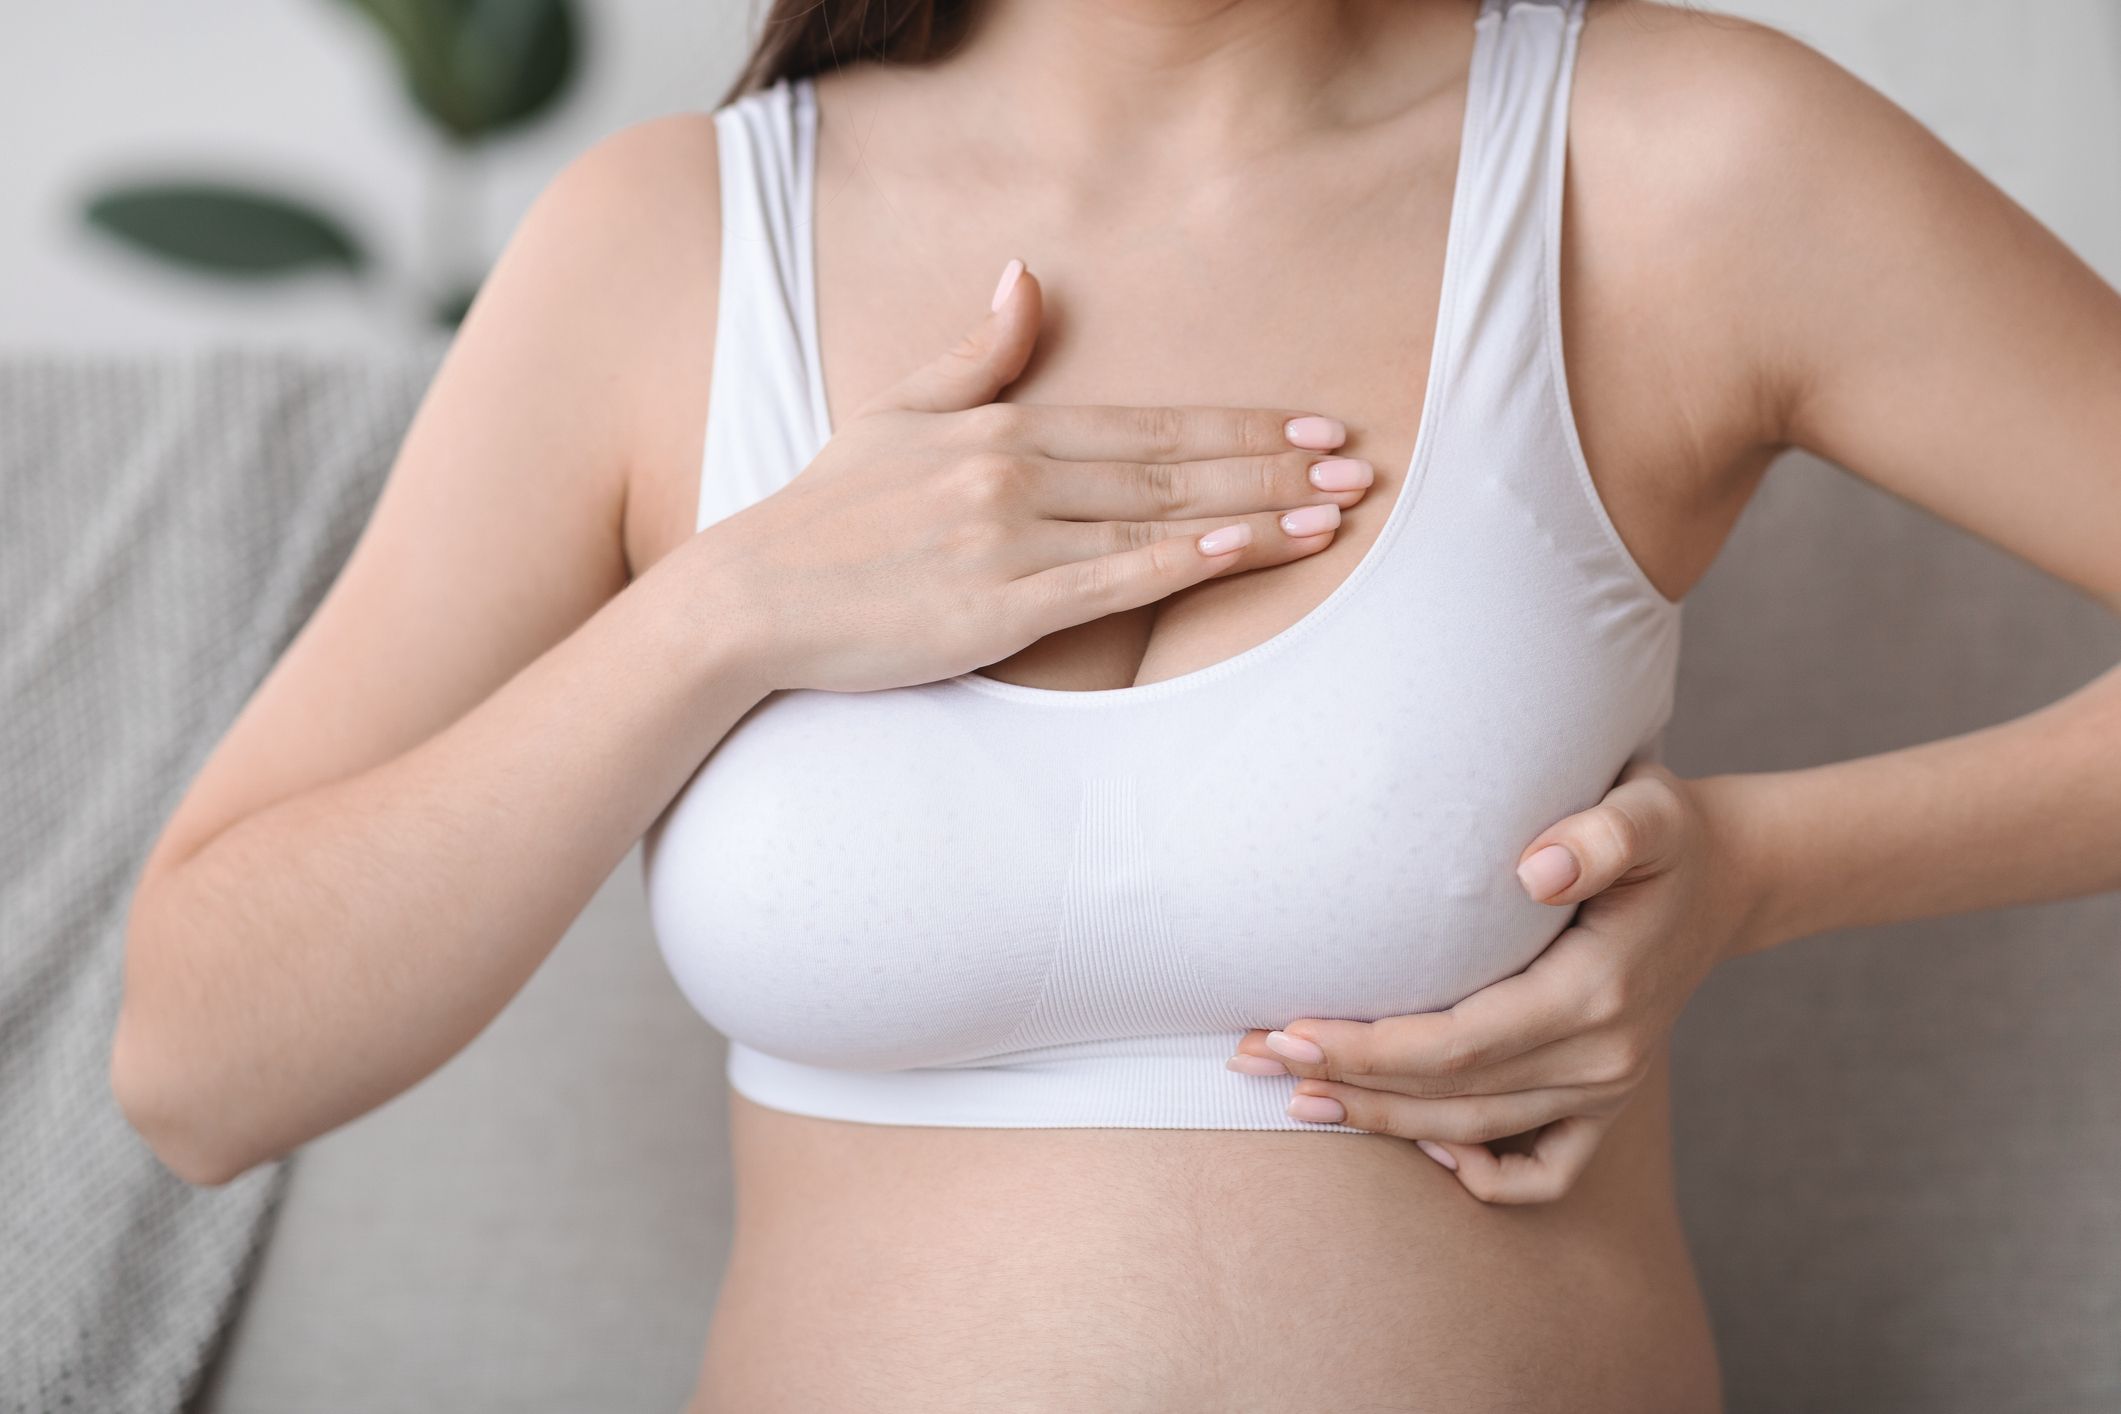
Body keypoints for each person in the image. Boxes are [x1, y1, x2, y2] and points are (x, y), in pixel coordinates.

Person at [113, 0, 2121, 1409]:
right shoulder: (666, 243)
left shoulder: (1672, 165)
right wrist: (721, 612)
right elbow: (201, 1061)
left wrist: (1763, 870)